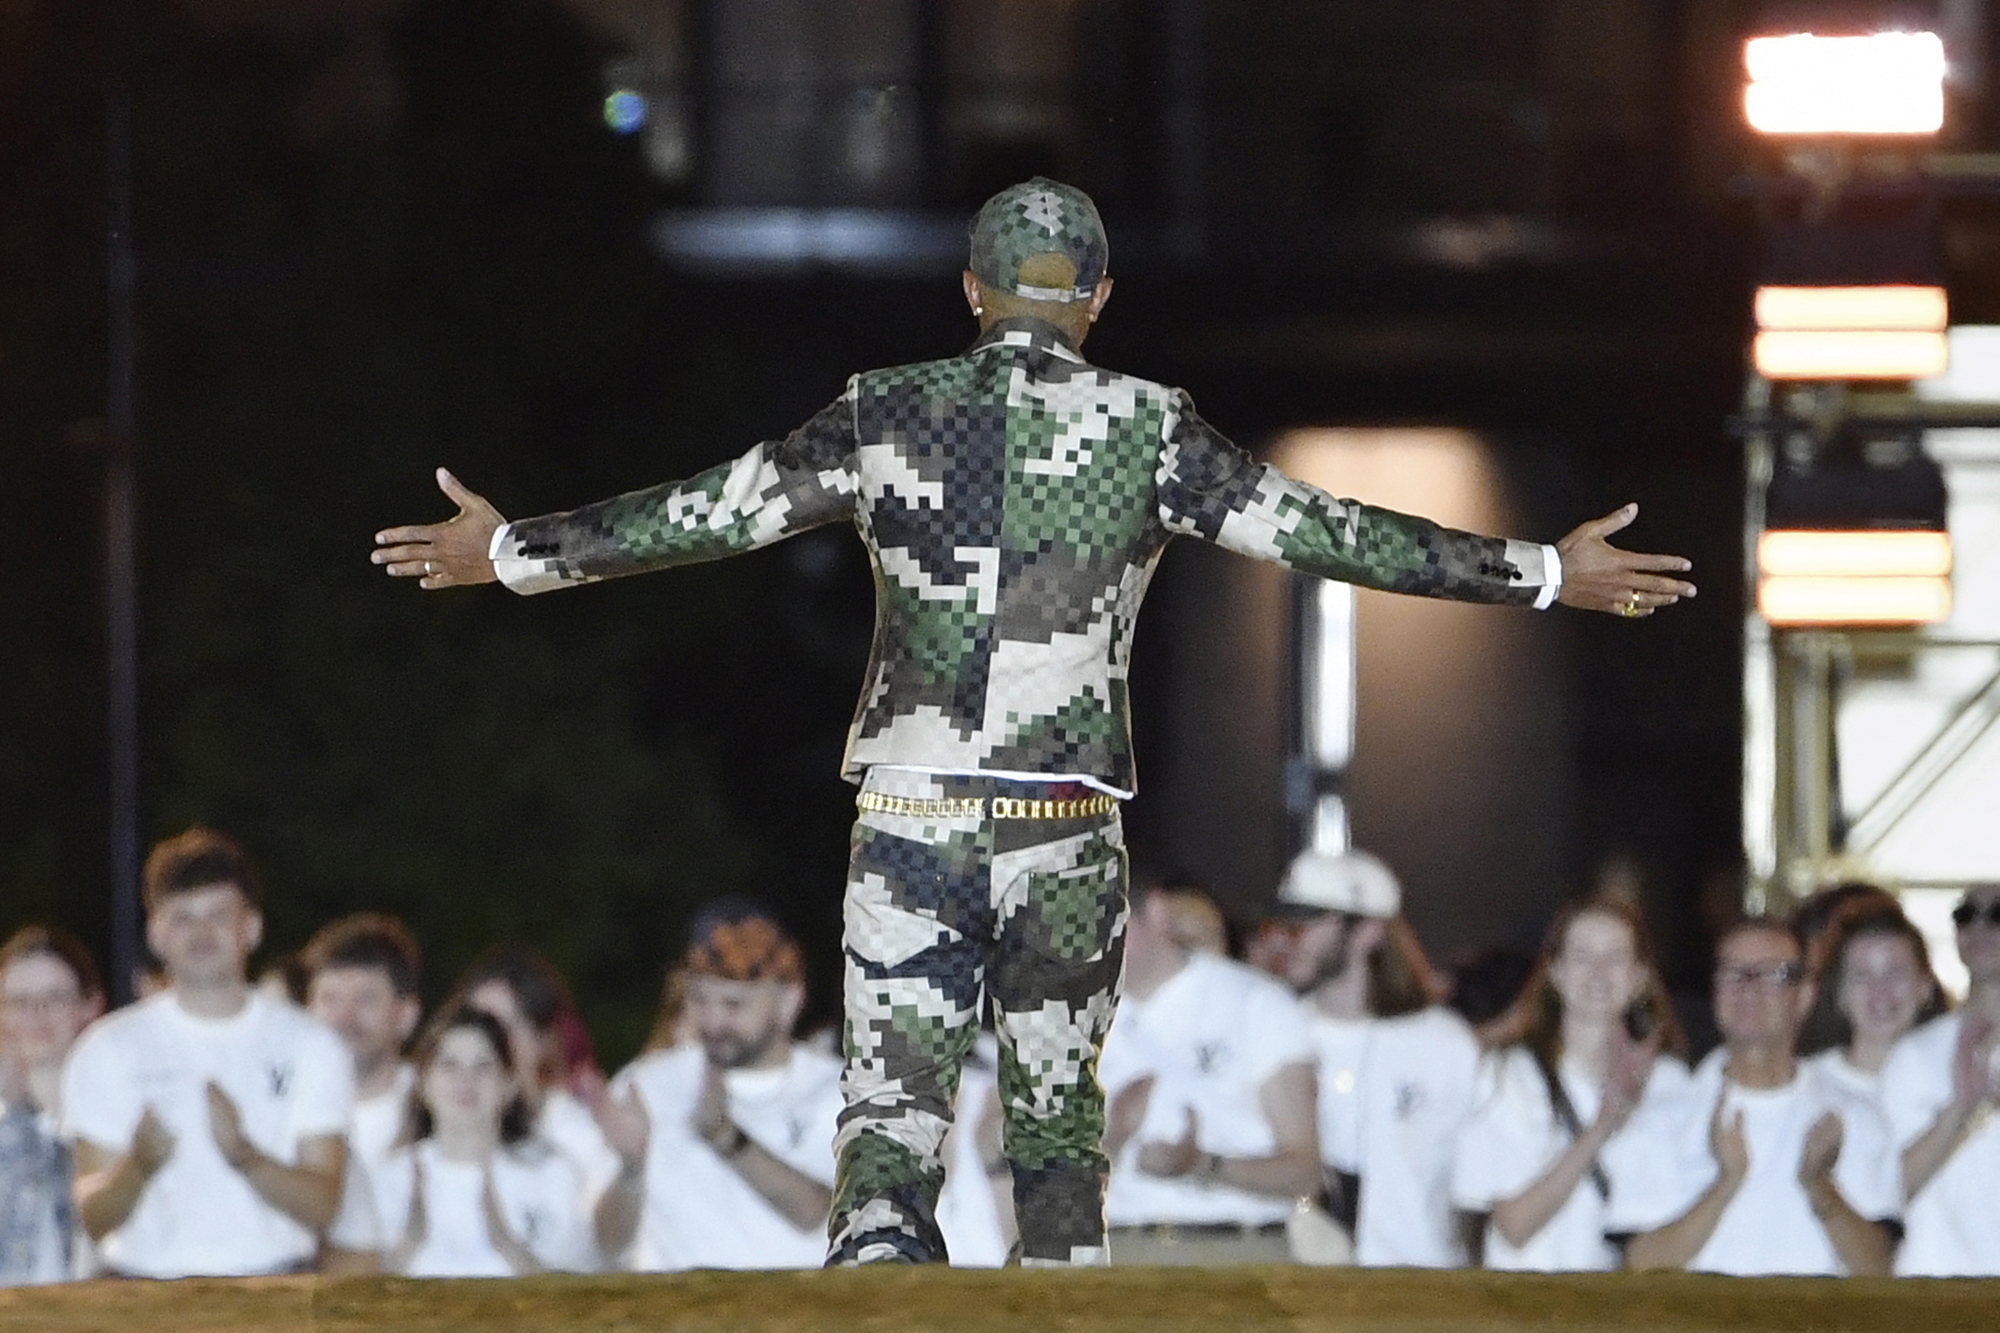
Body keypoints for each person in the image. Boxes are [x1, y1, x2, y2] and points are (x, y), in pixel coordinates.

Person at [371, 176, 1696, 1264]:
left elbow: (710, 512)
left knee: (889, 1141)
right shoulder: (1150, 428)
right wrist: (1539, 571)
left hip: (912, 818)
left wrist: (516, 552)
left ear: (971, 292)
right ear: (1098, 301)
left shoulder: (884, 413)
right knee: (1059, 1145)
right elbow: (1321, 530)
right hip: (1063, 829)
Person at [62, 828, 355, 1277]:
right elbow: (93, 1218)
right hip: (142, 1296)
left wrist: (243, 1154)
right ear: (156, 934)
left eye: (218, 914)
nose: (200, 932)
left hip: (275, 1292)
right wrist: (137, 1165)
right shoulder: (108, 1049)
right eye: (182, 918)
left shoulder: (310, 1045)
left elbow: (323, 1206)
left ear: (251, 928)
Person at [1615, 919, 1898, 1276]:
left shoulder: (1855, 1115)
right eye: (1733, 974)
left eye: (1772, 975)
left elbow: (1879, 1268)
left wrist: (1819, 1185)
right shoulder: (1662, 1117)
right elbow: (1639, 1265)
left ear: (1805, 995)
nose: (1749, 989)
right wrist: (1727, 1182)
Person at [592, 901, 842, 1270]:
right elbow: (606, 1244)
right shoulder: (646, 1086)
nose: (713, 1020)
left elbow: (820, 1215)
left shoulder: (839, 1090)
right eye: (699, 999)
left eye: (733, 1004)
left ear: (789, 1000)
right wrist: (631, 1168)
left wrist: (727, 1138)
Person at [1451, 895, 1690, 1271]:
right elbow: (1514, 1225)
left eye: (1615, 957)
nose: (1598, 972)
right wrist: (1603, 1126)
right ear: (1556, 973)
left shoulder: (1669, 1083)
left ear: (1639, 976)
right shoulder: (1510, 1077)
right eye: (1581, 956)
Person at [1268, 849, 1479, 1267]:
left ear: (1366, 932)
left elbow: (1473, 1183)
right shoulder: (1277, 1029)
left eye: (1308, 922)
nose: (1285, 937)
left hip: (1417, 1282)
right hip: (1304, 1283)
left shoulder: (1443, 1042)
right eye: (1285, 922)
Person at [1098, 879, 1322, 1265]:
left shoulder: (1256, 1004)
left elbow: (1305, 1172)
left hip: (1237, 1253)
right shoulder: (1069, 1021)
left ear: (1153, 912)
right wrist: (1112, 1138)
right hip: (1120, 1254)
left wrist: (1200, 1164)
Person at [371, 1005, 597, 1276]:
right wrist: (408, 1245)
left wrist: (507, 1245)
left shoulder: (551, 1173)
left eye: (483, 1066)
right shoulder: (389, 1179)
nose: (466, 1080)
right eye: (449, 1065)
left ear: (509, 1083)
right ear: (423, 1083)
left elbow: (575, 1293)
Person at [1880, 881, 2000, 1276]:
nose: (1980, 927)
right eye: (1965, 915)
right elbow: (1888, 1191)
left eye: (1997, 914)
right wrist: (1962, 1111)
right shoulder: (1914, 1055)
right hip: (1936, 1291)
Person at [446, 944, 621, 1200]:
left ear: (543, 1039)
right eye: (479, 1024)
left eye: (506, 1027)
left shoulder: (576, 1140)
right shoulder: (441, 1125)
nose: (490, 1042)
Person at [0, 926, 104, 1284]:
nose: (37, 1014)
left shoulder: (110, 1116)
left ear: (89, 1006)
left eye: (55, 998)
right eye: (19, 1002)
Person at [1798, 899, 1946, 1101]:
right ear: (1839, 993)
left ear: (1925, 987)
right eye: (1862, 975)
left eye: (1895, 973)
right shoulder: (1805, 1088)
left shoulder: (1957, 1084)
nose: (1880, 991)